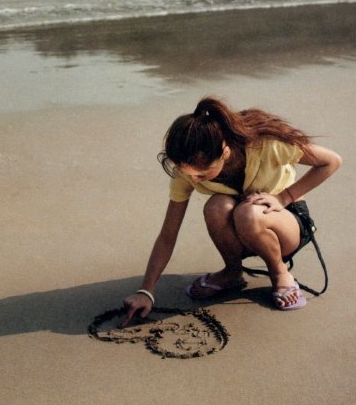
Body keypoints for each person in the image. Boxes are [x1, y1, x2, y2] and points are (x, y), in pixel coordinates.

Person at [121, 96, 341, 327]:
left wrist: (284, 197)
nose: (193, 179)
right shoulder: (185, 172)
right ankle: (232, 272)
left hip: (287, 223)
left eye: (202, 175)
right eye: (188, 174)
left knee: (248, 213)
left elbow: (331, 161)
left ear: (224, 152)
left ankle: (279, 272)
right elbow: (168, 234)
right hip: (240, 224)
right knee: (216, 207)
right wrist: (146, 290)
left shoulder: (267, 144)